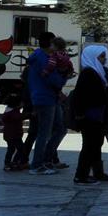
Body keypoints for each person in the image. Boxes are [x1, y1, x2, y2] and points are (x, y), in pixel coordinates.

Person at [26, 31, 69, 175]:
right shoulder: (43, 59)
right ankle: (37, 164)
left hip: (50, 97)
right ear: (50, 44)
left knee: (60, 128)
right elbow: (52, 79)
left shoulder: (45, 57)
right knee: (44, 132)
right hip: (45, 97)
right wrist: (64, 77)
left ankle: (47, 159)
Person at [72, 45, 108, 184]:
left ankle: (97, 172)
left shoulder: (98, 72)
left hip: (98, 116)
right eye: (101, 56)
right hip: (89, 117)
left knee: (96, 144)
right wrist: (80, 115)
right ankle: (80, 175)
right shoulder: (88, 73)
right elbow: (80, 97)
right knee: (89, 145)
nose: (103, 59)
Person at [1, 94, 25, 171]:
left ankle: (11, 163)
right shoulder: (12, 112)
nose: (23, 104)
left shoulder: (10, 110)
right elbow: (19, 117)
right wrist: (30, 115)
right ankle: (10, 163)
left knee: (12, 149)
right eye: (21, 103)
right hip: (13, 135)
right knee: (18, 149)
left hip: (12, 134)